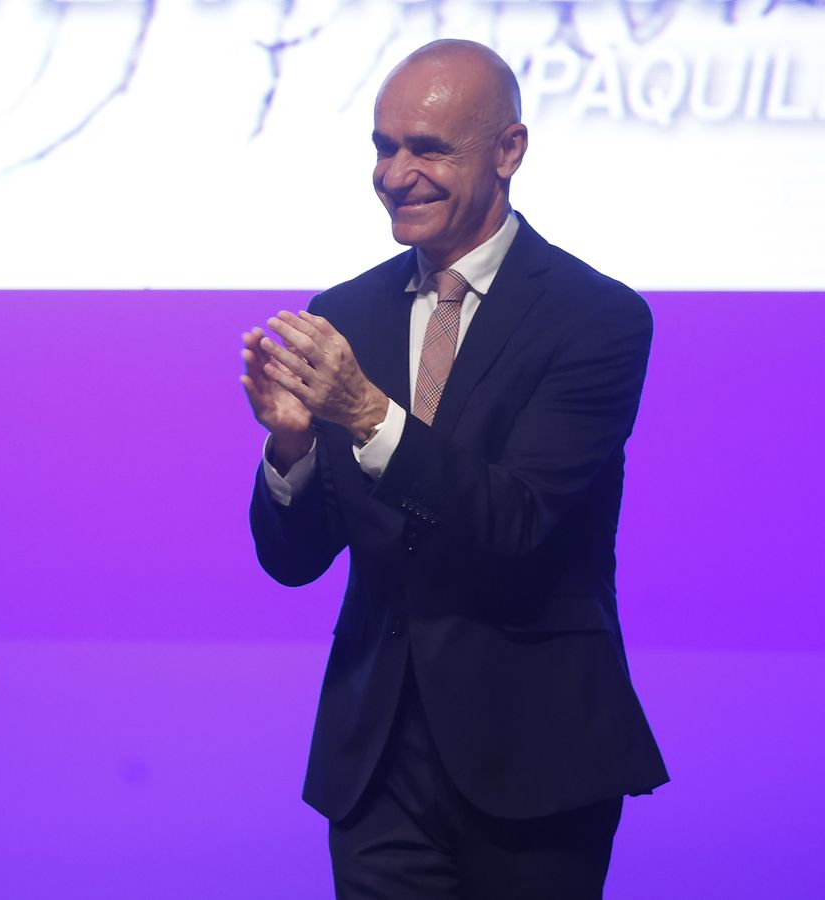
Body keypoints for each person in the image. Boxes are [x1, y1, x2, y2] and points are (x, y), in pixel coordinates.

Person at [241, 40, 667, 898]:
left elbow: (517, 519)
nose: (396, 175)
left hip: (536, 759)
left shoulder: (597, 320)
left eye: (428, 148)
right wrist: (289, 450)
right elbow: (295, 562)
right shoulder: (346, 312)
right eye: (382, 146)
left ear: (508, 151)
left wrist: (366, 415)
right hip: (376, 763)